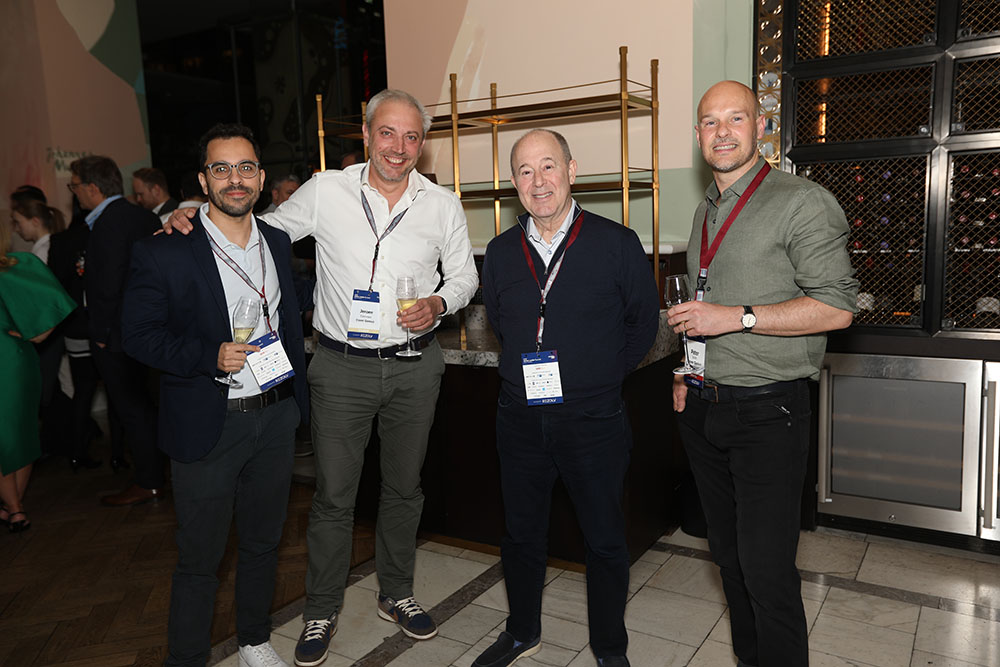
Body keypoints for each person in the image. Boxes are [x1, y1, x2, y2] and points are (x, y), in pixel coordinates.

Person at [164, 89, 478, 667]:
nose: (399, 147)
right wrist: (192, 212)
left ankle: (396, 592)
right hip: (340, 367)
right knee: (334, 497)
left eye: (411, 136)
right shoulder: (327, 190)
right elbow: (259, 231)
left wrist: (439, 302)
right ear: (367, 134)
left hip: (415, 365)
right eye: (388, 133)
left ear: (423, 144)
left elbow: (464, 276)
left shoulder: (441, 204)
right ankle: (321, 609)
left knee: (404, 488)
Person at [667, 80, 858, 667]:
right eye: (710, 122)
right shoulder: (705, 209)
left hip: (768, 413)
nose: (722, 132)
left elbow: (837, 308)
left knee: (767, 570)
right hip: (703, 407)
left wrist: (738, 317)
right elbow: (703, 306)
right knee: (727, 559)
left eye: (736, 118)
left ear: (761, 127)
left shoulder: (803, 202)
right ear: (698, 134)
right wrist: (686, 368)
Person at [122, 123, 308, 667]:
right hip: (209, 423)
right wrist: (208, 355)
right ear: (203, 181)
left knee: (263, 543)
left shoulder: (277, 241)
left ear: (262, 178)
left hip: (275, 416)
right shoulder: (166, 249)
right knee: (200, 557)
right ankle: (187, 658)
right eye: (221, 168)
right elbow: (138, 336)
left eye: (245, 167)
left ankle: (254, 640)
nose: (235, 179)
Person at [475, 129, 659, 667]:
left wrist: (598, 377)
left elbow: (643, 325)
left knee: (604, 540)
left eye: (548, 166)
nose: (539, 181)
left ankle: (609, 649)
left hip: (594, 418)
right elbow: (503, 325)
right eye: (525, 171)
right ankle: (521, 632)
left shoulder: (616, 242)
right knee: (521, 535)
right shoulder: (500, 252)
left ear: (572, 170)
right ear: (514, 183)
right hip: (519, 418)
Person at [72, 155, 166, 504]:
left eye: (74, 186)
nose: (74, 193)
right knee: (145, 405)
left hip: (117, 336)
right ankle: (156, 473)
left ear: (92, 188)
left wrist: (100, 333)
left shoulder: (109, 222)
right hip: (145, 329)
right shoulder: (141, 215)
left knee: (132, 409)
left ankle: (148, 479)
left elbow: (107, 284)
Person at [0, 207, 76, 531]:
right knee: (16, 435)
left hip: (12, 361)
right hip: (15, 359)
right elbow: (54, 307)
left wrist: (35, 333)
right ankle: (14, 508)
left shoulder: (16, 266)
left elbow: (54, 306)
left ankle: (13, 507)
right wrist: (35, 334)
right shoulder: (16, 266)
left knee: (15, 435)